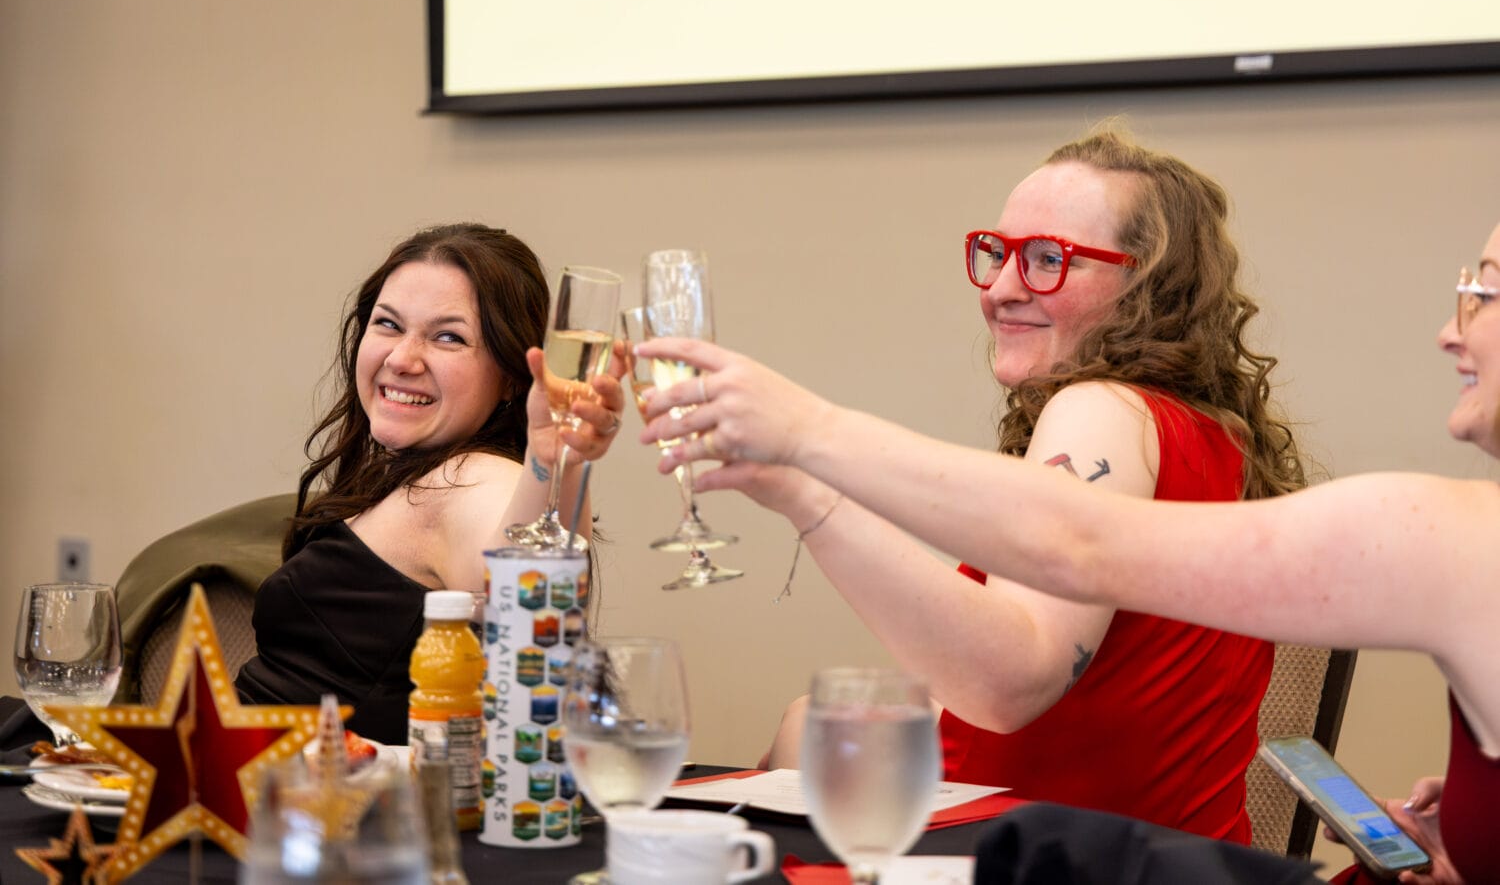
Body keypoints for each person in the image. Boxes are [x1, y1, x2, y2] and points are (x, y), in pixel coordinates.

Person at [638, 231, 1500, 879]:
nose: (1448, 332)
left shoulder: (1462, 536)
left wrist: (809, 440)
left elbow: (1076, 548)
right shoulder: (1224, 440)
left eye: (1484, 293)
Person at [654, 128, 1309, 843]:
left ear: (1148, 287)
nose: (1000, 289)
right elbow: (1101, 707)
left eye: (1049, 259)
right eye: (997, 253)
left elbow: (1010, 684)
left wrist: (807, 493)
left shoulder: (1101, 412)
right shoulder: (1216, 438)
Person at [236, 223, 625, 744]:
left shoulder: (471, 478)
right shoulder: (403, 472)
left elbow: (530, 606)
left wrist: (552, 463)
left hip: (319, 788)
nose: (402, 358)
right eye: (388, 324)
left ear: (513, 377)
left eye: (448, 337)